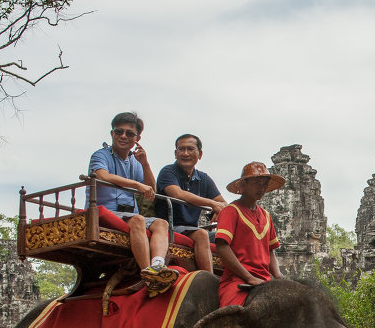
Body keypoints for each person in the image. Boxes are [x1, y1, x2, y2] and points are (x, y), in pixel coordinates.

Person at [88, 111, 177, 293]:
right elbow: (102, 175)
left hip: (129, 213)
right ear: (112, 133)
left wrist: (144, 164)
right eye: (119, 131)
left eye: (129, 133)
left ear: (137, 138)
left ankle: (158, 264)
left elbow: (150, 189)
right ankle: (147, 273)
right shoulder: (101, 155)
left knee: (161, 223)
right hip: (107, 211)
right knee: (138, 220)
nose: (123, 136)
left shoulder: (134, 161)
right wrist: (137, 184)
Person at [214, 162, 284, 307]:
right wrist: (248, 277)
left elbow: (270, 250)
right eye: (256, 183)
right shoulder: (230, 211)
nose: (261, 188)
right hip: (237, 280)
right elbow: (222, 247)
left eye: (264, 184)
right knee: (230, 318)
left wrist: (278, 276)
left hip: (265, 280)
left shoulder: (266, 215)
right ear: (243, 185)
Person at [155, 134, 227, 272]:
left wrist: (220, 209)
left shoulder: (203, 178)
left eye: (190, 149)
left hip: (192, 229)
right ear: (176, 154)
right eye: (181, 149)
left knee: (229, 236)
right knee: (201, 234)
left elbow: (223, 203)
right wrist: (213, 204)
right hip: (170, 228)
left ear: (200, 154)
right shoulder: (168, 172)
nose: (185, 153)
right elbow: (177, 194)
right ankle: (208, 281)